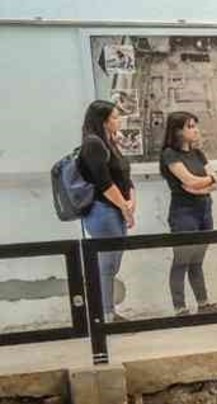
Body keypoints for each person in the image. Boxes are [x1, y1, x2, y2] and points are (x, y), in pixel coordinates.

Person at [78, 100, 135, 322]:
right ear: (103, 120)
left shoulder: (110, 143)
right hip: (103, 210)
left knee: (113, 264)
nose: (118, 121)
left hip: (118, 209)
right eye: (114, 117)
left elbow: (125, 177)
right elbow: (104, 182)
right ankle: (105, 313)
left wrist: (130, 203)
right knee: (107, 264)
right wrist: (124, 207)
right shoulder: (93, 144)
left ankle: (109, 310)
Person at [159, 111, 217, 316]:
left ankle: (203, 303)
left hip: (204, 209)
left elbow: (214, 181)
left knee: (197, 260)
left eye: (195, 125)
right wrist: (204, 182)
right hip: (183, 212)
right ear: (177, 131)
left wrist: (203, 184)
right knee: (182, 259)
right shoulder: (170, 154)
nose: (195, 130)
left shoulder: (198, 154)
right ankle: (180, 307)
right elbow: (189, 181)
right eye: (190, 126)